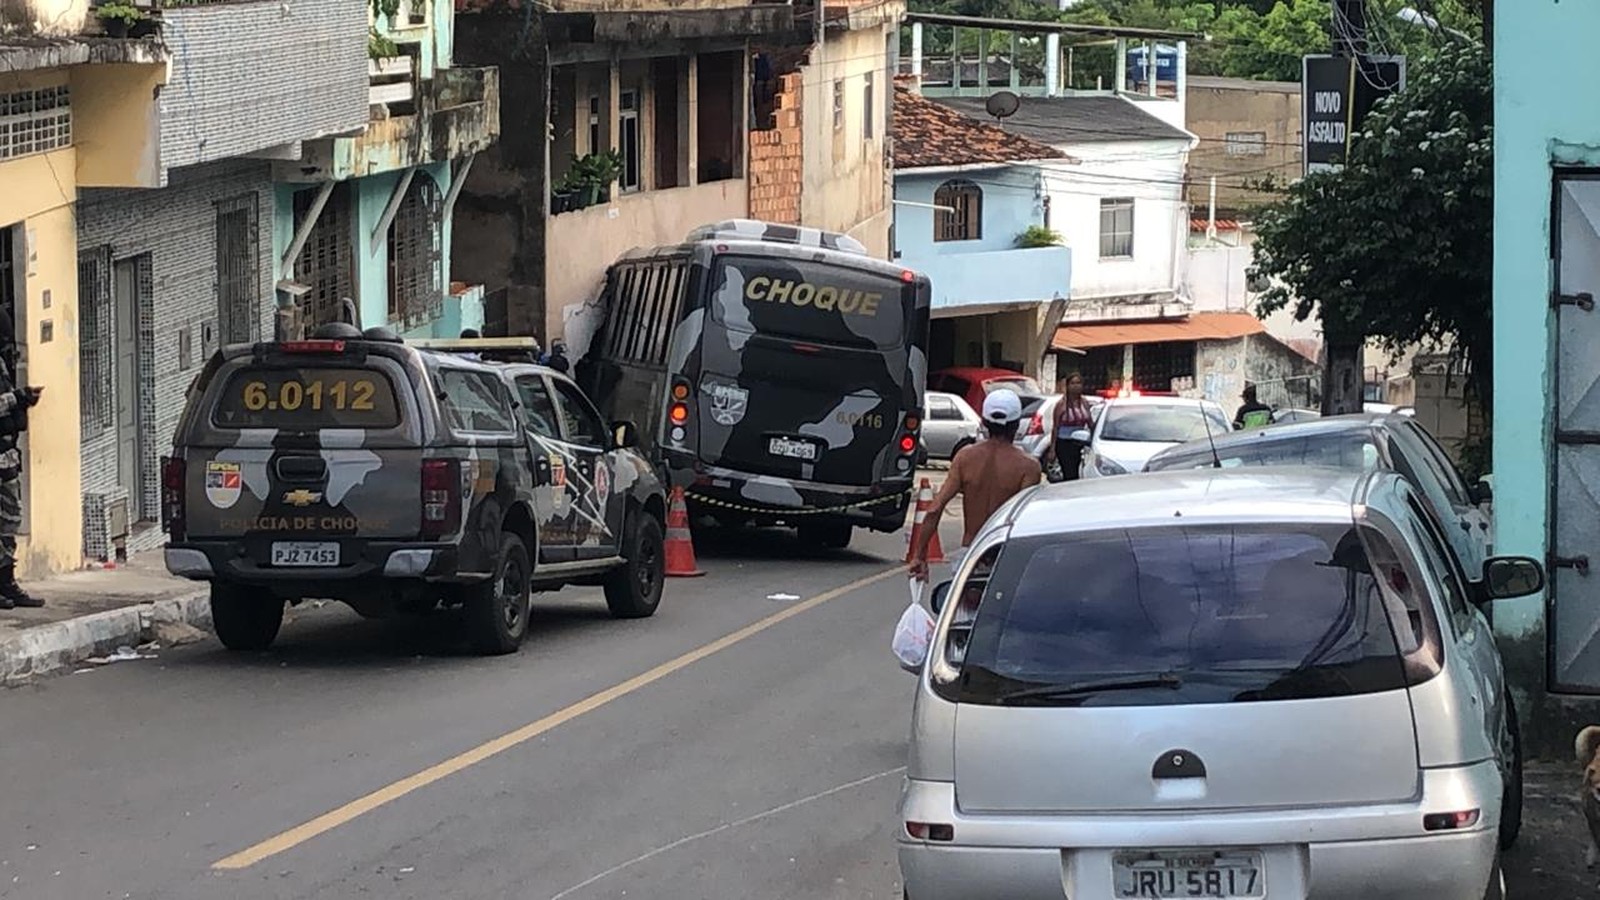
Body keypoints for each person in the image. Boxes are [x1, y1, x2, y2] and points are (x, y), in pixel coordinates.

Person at [909, 389, 1042, 581]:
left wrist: (919, 556)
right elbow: (1024, 522)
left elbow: (934, 509)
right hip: (1003, 556)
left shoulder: (965, 457)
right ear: (1017, 425)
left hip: (971, 554)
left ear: (984, 422)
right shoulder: (1028, 467)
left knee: (961, 609)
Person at [0, 336, 42, 610]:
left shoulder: (2, 365)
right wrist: (17, 398)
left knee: (9, 524)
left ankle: (7, 583)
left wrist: (24, 399)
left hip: (6, 458)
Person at [1044, 371, 1093, 482]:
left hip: (1081, 443)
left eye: (1078, 383)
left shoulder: (1084, 403)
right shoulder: (1061, 404)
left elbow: (1090, 422)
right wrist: (1052, 449)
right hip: (1065, 444)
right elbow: (1055, 427)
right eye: (1073, 383)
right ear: (1067, 386)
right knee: (1070, 473)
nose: (1076, 386)